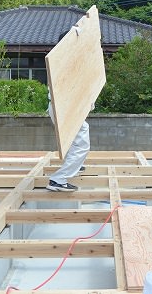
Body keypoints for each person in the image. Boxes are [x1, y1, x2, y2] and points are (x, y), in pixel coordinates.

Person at [45, 28, 91, 192]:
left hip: (60, 106)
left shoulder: (61, 58)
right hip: (62, 107)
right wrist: (77, 35)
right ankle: (58, 179)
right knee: (81, 144)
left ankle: (75, 167)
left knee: (73, 140)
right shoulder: (64, 59)